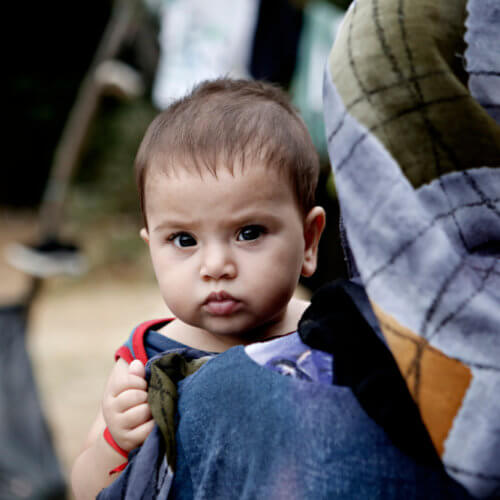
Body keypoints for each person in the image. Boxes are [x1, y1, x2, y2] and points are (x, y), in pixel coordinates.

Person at [71, 77, 327, 499]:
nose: (215, 266)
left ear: (309, 241)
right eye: (184, 241)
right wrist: (113, 442)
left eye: (249, 233)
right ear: (152, 247)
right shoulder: (144, 363)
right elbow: (84, 490)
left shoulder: (327, 335)